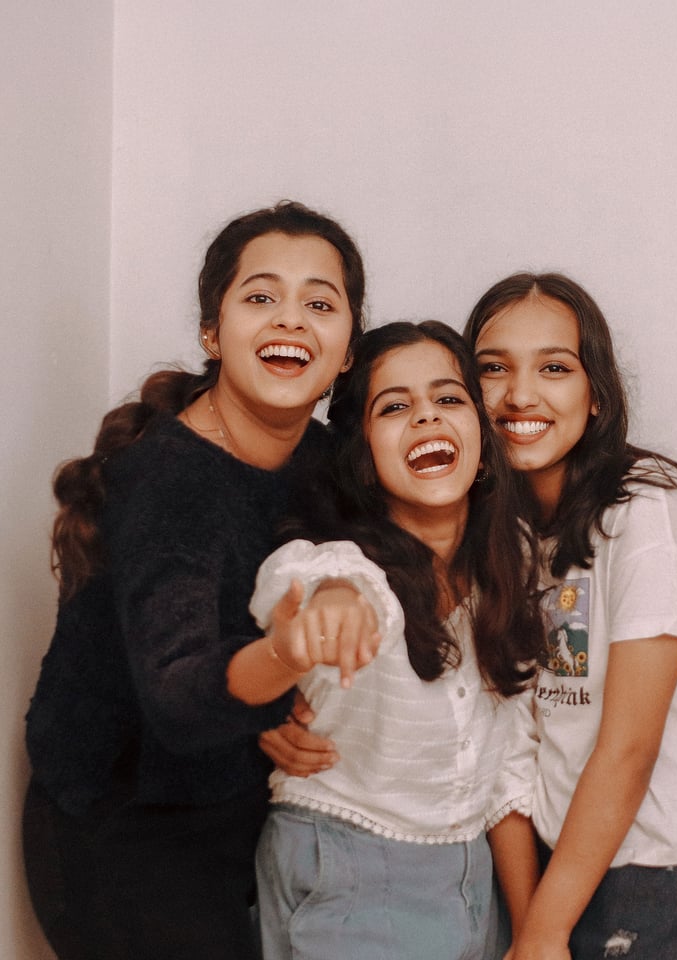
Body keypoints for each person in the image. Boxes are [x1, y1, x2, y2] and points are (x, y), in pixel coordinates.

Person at [23, 201, 380, 960]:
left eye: (320, 303)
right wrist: (280, 664)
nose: (291, 319)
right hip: (124, 834)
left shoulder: (324, 461)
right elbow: (180, 702)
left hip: (236, 815)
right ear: (212, 333)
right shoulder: (171, 479)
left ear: (348, 350)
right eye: (261, 296)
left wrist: (278, 702)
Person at [463, 272, 677, 959]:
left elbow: (629, 748)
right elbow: (510, 739)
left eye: (553, 367)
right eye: (492, 368)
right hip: (570, 856)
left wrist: (544, 931)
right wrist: (533, 923)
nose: (520, 394)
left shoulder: (652, 514)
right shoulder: (504, 531)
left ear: (595, 392)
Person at [237, 321, 544, 960]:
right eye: (395, 407)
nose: (427, 416)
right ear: (364, 456)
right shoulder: (342, 566)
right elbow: (316, 588)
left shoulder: (511, 563)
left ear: (484, 440)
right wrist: (322, 616)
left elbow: (506, 774)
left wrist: (532, 934)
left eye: (449, 398)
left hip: (474, 889)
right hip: (346, 880)